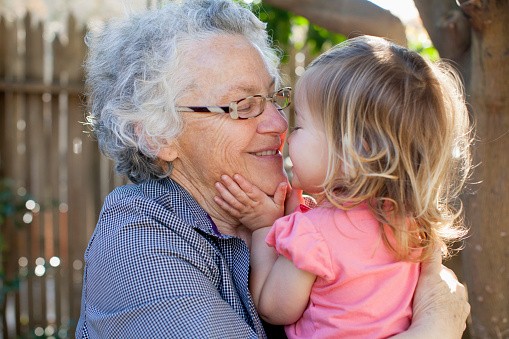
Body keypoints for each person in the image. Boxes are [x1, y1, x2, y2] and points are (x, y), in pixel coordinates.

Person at [76, 1, 470, 338]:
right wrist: (436, 325)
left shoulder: (313, 213)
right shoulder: (136, 243)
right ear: (157, 135)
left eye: (272, 98)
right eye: (243, 105)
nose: (279, 124)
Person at [213, 35, 472, 338]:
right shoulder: (409, 225)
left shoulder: (314, 234)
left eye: (299, 126)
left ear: (353, 154)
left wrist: (261, 227)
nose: (285, 130)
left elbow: (274, 307)